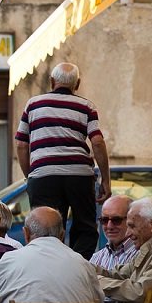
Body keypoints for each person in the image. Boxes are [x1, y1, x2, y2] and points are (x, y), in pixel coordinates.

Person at [15, 62, 111, 260]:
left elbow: (21, 145)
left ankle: (48, 269)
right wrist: (106, 179)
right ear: (77, 84)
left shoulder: (33, 104)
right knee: (85, 227)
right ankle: (78, 267)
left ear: (51, 81)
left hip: (43, 177)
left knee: (43, 230)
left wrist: (31, 176)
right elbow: (98, 142)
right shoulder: (87, 107)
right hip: (79, 177)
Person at [89, 195, 137, 303]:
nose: (109, 226)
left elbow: (137, 295)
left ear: (131, 221)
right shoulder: (96, 257)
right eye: (104, 220)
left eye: (116, 220)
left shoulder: (140, 255)